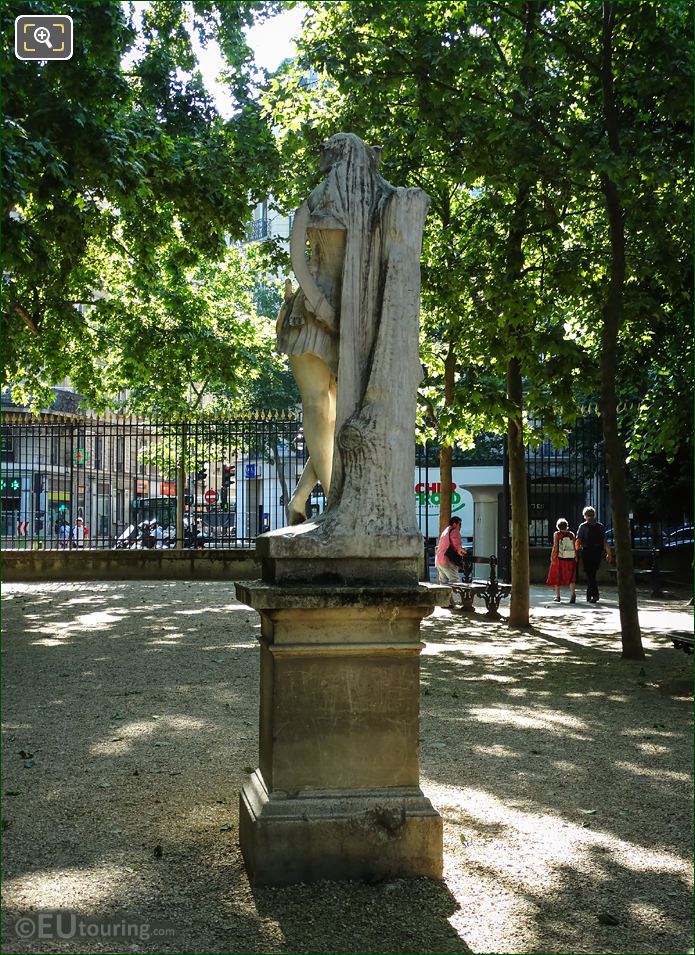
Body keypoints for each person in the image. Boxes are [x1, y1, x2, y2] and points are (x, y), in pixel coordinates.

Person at [575, 506, 612, 602]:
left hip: (586, 551)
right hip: (597, 552)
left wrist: (575, 552)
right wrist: (609, 553)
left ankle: (594, 595)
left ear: (585, 516)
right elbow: (605, 541)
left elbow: (578, 541)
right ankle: (589, 594)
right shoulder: (600, 526)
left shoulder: (583, 526)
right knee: (592, 573)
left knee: (589, 573)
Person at [435, 517, 468, 605]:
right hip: (448, 560)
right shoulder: (454, 531)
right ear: (454, 524)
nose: (460, 526)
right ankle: (464, 602)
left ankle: (446, 603)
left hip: (439, 560)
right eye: (459, 524)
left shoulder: (445, 531)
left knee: (444, 583)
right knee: (456, 581)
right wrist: (465, 552)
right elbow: (458, 546)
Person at [546, 518, 577, 603]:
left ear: (558, 526)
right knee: (571, 577)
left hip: (559, 558)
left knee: (557, 576)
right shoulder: (571, 534)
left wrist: (552, 556)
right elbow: (574, 546)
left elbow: (555, 546)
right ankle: (572, 594)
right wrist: (575, 556)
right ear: (567, 525)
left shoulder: (557, 534)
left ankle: (558, 596)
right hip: (570, 558)